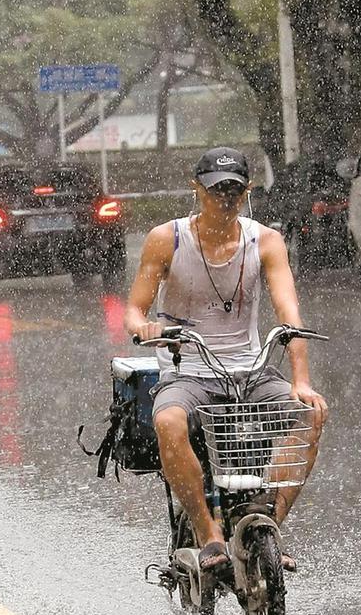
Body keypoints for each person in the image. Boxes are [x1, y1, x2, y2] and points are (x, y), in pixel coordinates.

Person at [124, 147, 328, 572]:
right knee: (168, 422)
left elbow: (290, 317)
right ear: (197, 189)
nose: (226, 198)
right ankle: (208, 533)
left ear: (247, 190)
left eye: (235, 189)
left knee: (309, 415)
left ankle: (266, 524)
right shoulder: (167, 239)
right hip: (189, 371)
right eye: (217, 190)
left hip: (250, 372)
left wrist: (301, 380)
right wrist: (145, 327)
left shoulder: (265, 241)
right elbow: (134, 309)